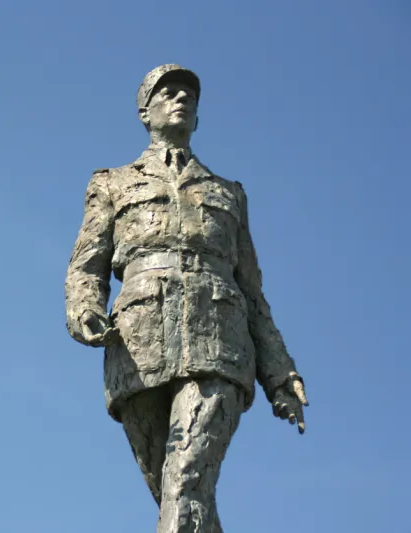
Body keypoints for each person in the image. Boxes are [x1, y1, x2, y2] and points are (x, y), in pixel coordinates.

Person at [64, 64, 309, 533]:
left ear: (197, 117)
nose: (181, 99)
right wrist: (85, 310)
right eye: (168, 91)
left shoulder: (228, 194)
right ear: (144, 110)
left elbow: (253, 292)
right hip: (137, 347)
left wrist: (280, 374)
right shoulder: (112, 183)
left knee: (186, 482)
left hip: (220, 344)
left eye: (189, 95)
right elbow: (86, 265)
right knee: (178, 499)